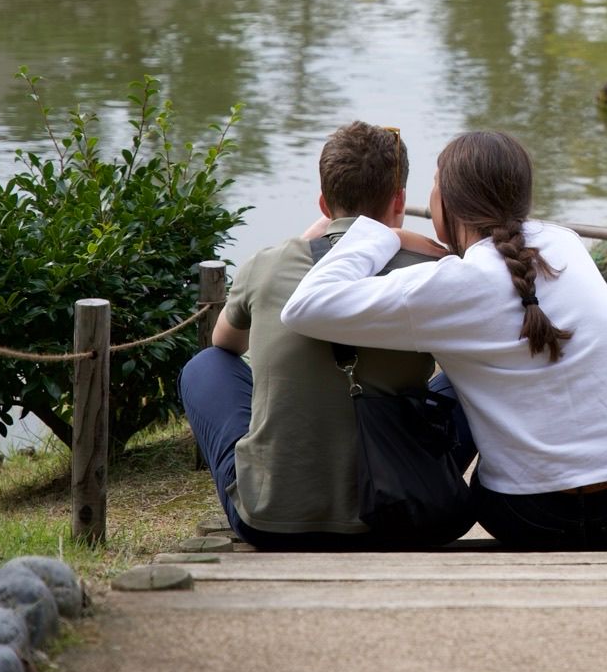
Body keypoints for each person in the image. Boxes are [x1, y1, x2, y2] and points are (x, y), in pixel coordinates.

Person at [282, 130, 607, 552]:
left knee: (454, 387)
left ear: (447, 202)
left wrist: (379, 234)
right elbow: (505, 284)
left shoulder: (447, 285)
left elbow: (305, 306)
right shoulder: (565, 243)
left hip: (525, 518)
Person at [180, 122, 474, 549]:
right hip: (402, 512)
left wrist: (300, 246)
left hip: (271, 519)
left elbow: (225, 344)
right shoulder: (430, 271)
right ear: (399, 201)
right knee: (467, 380)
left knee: (204, 365)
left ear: (323, 201)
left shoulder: (267, 264)